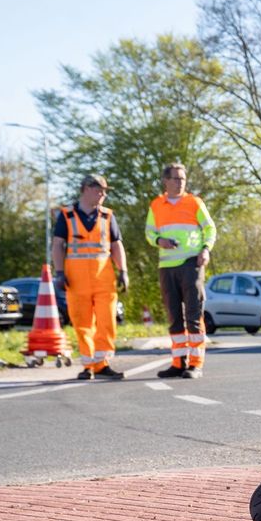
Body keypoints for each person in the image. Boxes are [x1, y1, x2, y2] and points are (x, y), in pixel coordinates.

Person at [52, 174, 129, 380]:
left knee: (107, 321)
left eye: (105, 191)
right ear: (86, 189)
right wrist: (59, 273)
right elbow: (58, 245)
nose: (103, 194)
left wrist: (123, 271)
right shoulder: (67, 215)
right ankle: (88, 365)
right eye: (99, 190)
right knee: (82, 322)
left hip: (104, 278)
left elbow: (116, 245)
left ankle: (102, 364)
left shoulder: (107, 216)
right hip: (76, 280)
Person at [146, 163, 216, 379]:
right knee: (174, 317)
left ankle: (195, 364)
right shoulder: (156, 205)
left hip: (191, 264)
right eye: (176, 178)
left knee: (193, 315)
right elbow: (149, 232)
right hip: (167, 267)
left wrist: (206, 249)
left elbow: (210, 228)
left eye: (183, 178)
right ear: (166, 181)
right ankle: (178, 363)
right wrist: (159, 240)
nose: (180, 182)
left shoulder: (194, 202)